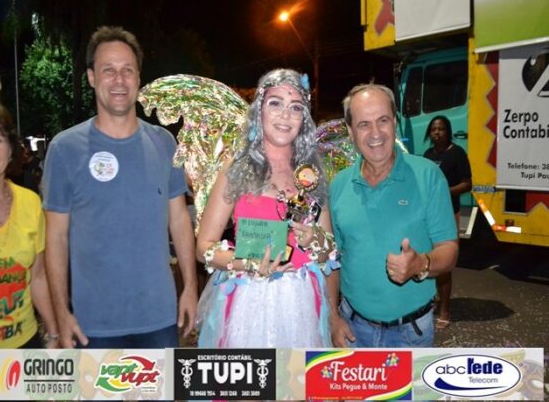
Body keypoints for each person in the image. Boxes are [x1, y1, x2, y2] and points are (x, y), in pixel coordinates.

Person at [42, 26, 197, 349]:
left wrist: (190, 288)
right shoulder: (65, 149)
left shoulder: (164, 143)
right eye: (108, 70)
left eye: (127, 70)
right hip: (93, 324)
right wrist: (60, 313)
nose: (119, 80)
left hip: (159, 317)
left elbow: (180, 220)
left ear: (138, 78)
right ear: (91, 77)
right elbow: (55, 237)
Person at [195, 69, 338, 348]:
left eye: (295, 107)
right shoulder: (236, 168)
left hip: (302, 302)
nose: (285, 115)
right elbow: (204, 248)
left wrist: (314, 239)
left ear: (304, 119)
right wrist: (247, 264)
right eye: (275, 103)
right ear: (259, 110)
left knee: (297, 375)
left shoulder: (311, 174)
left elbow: (329, 251)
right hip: (248, 304)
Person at [328, 83, 458, 348]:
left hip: (411, 333)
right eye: (364, 124)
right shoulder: (338, 185)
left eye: (383, 120)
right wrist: (332, 318)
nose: (375, 133)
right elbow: (331, 260)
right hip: (352, 329)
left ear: (395, 123)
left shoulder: (428, 175)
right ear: (351, 132)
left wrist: (420, 264)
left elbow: (449, 250)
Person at [0, 102, 59, 400]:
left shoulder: (30, 203)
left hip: (25, 348)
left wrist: (54, 334)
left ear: (10, 149)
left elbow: (38, 277)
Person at [424, 115, 472, 329]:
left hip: (448, 214)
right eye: (434, 129)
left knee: (443, 265)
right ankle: (433, 302)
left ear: (448, 131)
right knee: (428, 262)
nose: (437, 133)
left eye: (441, 129)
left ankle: (445, 310)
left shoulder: (457, 153)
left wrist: (443, 191)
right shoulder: (428, 155)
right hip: (428, 215)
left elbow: (467, 184)